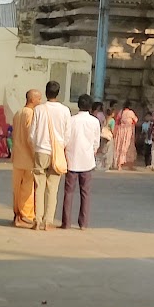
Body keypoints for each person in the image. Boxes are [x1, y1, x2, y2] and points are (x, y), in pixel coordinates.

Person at [29, 80, 71, 231]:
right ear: (58, 93)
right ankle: (48, 221)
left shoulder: (39, 109)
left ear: (46, 93)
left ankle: (37, 219)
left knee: (39, 186)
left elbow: (32, 134)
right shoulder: (65, 111)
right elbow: (67, 134)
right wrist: (60, 146)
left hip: (41, 150)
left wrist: (37, 145)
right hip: (57, 152)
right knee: (52, 188)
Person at [61, 93, 101, 230]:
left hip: (71, 159)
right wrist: (92, 151)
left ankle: (66, 222)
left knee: (68, 192)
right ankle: (83, 223)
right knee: (85, 193)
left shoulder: (71, 120)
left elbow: (65, 139)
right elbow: (96, 142)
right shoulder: (94, 121)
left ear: (78, 105)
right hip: (87, 161)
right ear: (90, 106)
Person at [10, 89, 41, 227]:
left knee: (17, 188)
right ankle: (25, 216)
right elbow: (30, 137)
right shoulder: (31, 114)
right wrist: (35, 155)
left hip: (17, 156)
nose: (40, 101)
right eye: (39, 99)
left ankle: (17, 214)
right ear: (33, 99)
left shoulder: (18, 113)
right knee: (27, 189)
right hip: (27, 157)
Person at [112, 100, 138, 171]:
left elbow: (117, 121)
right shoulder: (130, 113)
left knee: (120, 146)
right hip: (128, 131)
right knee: (128, 147)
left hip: (121, 131)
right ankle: (130, 165)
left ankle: (119, 164)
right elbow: (135, 120)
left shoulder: (121, 112)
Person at [95, 102, 115, 171]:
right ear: (112, 114)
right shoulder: (112, 120)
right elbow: (112, 129)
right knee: (109, 150)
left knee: (103, 149)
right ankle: (108, 164)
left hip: (103, 135)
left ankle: (101, 163)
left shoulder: (105, 119)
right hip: (109, 136)